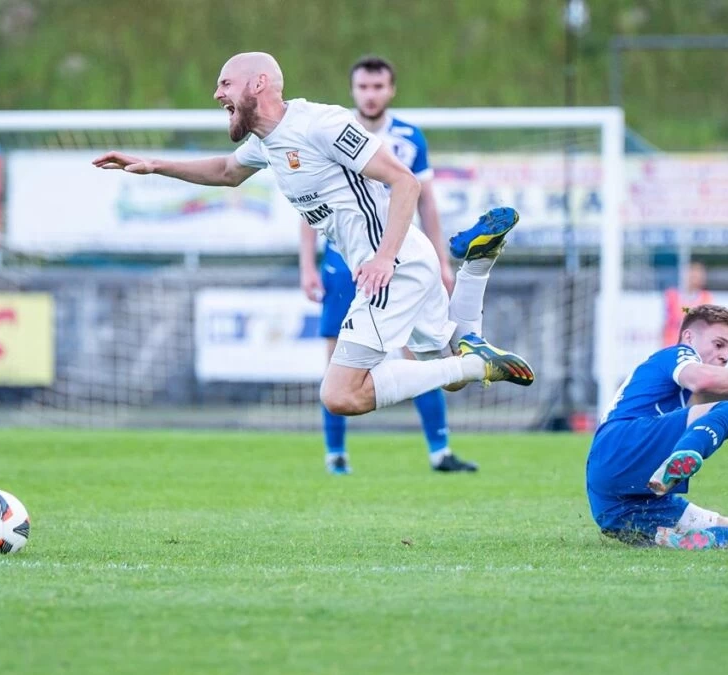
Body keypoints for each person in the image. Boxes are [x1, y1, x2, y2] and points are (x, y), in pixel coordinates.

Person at [92, 52, 534, 432]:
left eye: (225, 83)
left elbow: (406, 182)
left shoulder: (322, 124)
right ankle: (478, 266)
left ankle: (477, 353)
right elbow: (226, 171)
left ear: (258, 83)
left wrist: (384, 259)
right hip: (403, 260)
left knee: (341, 394)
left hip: (391, 266)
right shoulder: (267, 141)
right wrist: (154, 165)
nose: (217, 94)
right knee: (452, 373)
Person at [299, 55, 470, 475]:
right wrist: (307, 266)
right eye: (363, 87)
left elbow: (425, 202)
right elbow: (308, 205)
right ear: (352, 90)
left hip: (402, 259)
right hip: (344, 262)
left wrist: (442, 262)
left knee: (418, 355)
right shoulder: (330, 131)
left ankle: (440, 451)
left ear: (391, 90)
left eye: (378, 87)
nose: (370, 95)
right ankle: (336, 455)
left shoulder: (409, 138)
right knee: (336, 359)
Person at [586, 304, 728, 550]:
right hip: (623, 442)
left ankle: (671, 538)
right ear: (689, 337)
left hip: (612, 500)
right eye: (719, 344)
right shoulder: (678, 353)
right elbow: (701, 380)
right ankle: (684, 456)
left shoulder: (662, 388)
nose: (725, 355)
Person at [662, 261, 712, 348]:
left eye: (699, 275)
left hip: (694, 347)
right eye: (693, 275)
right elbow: (674, 316)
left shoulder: (706, 297)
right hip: (672, 345)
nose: (696, 278)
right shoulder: (672, 295)